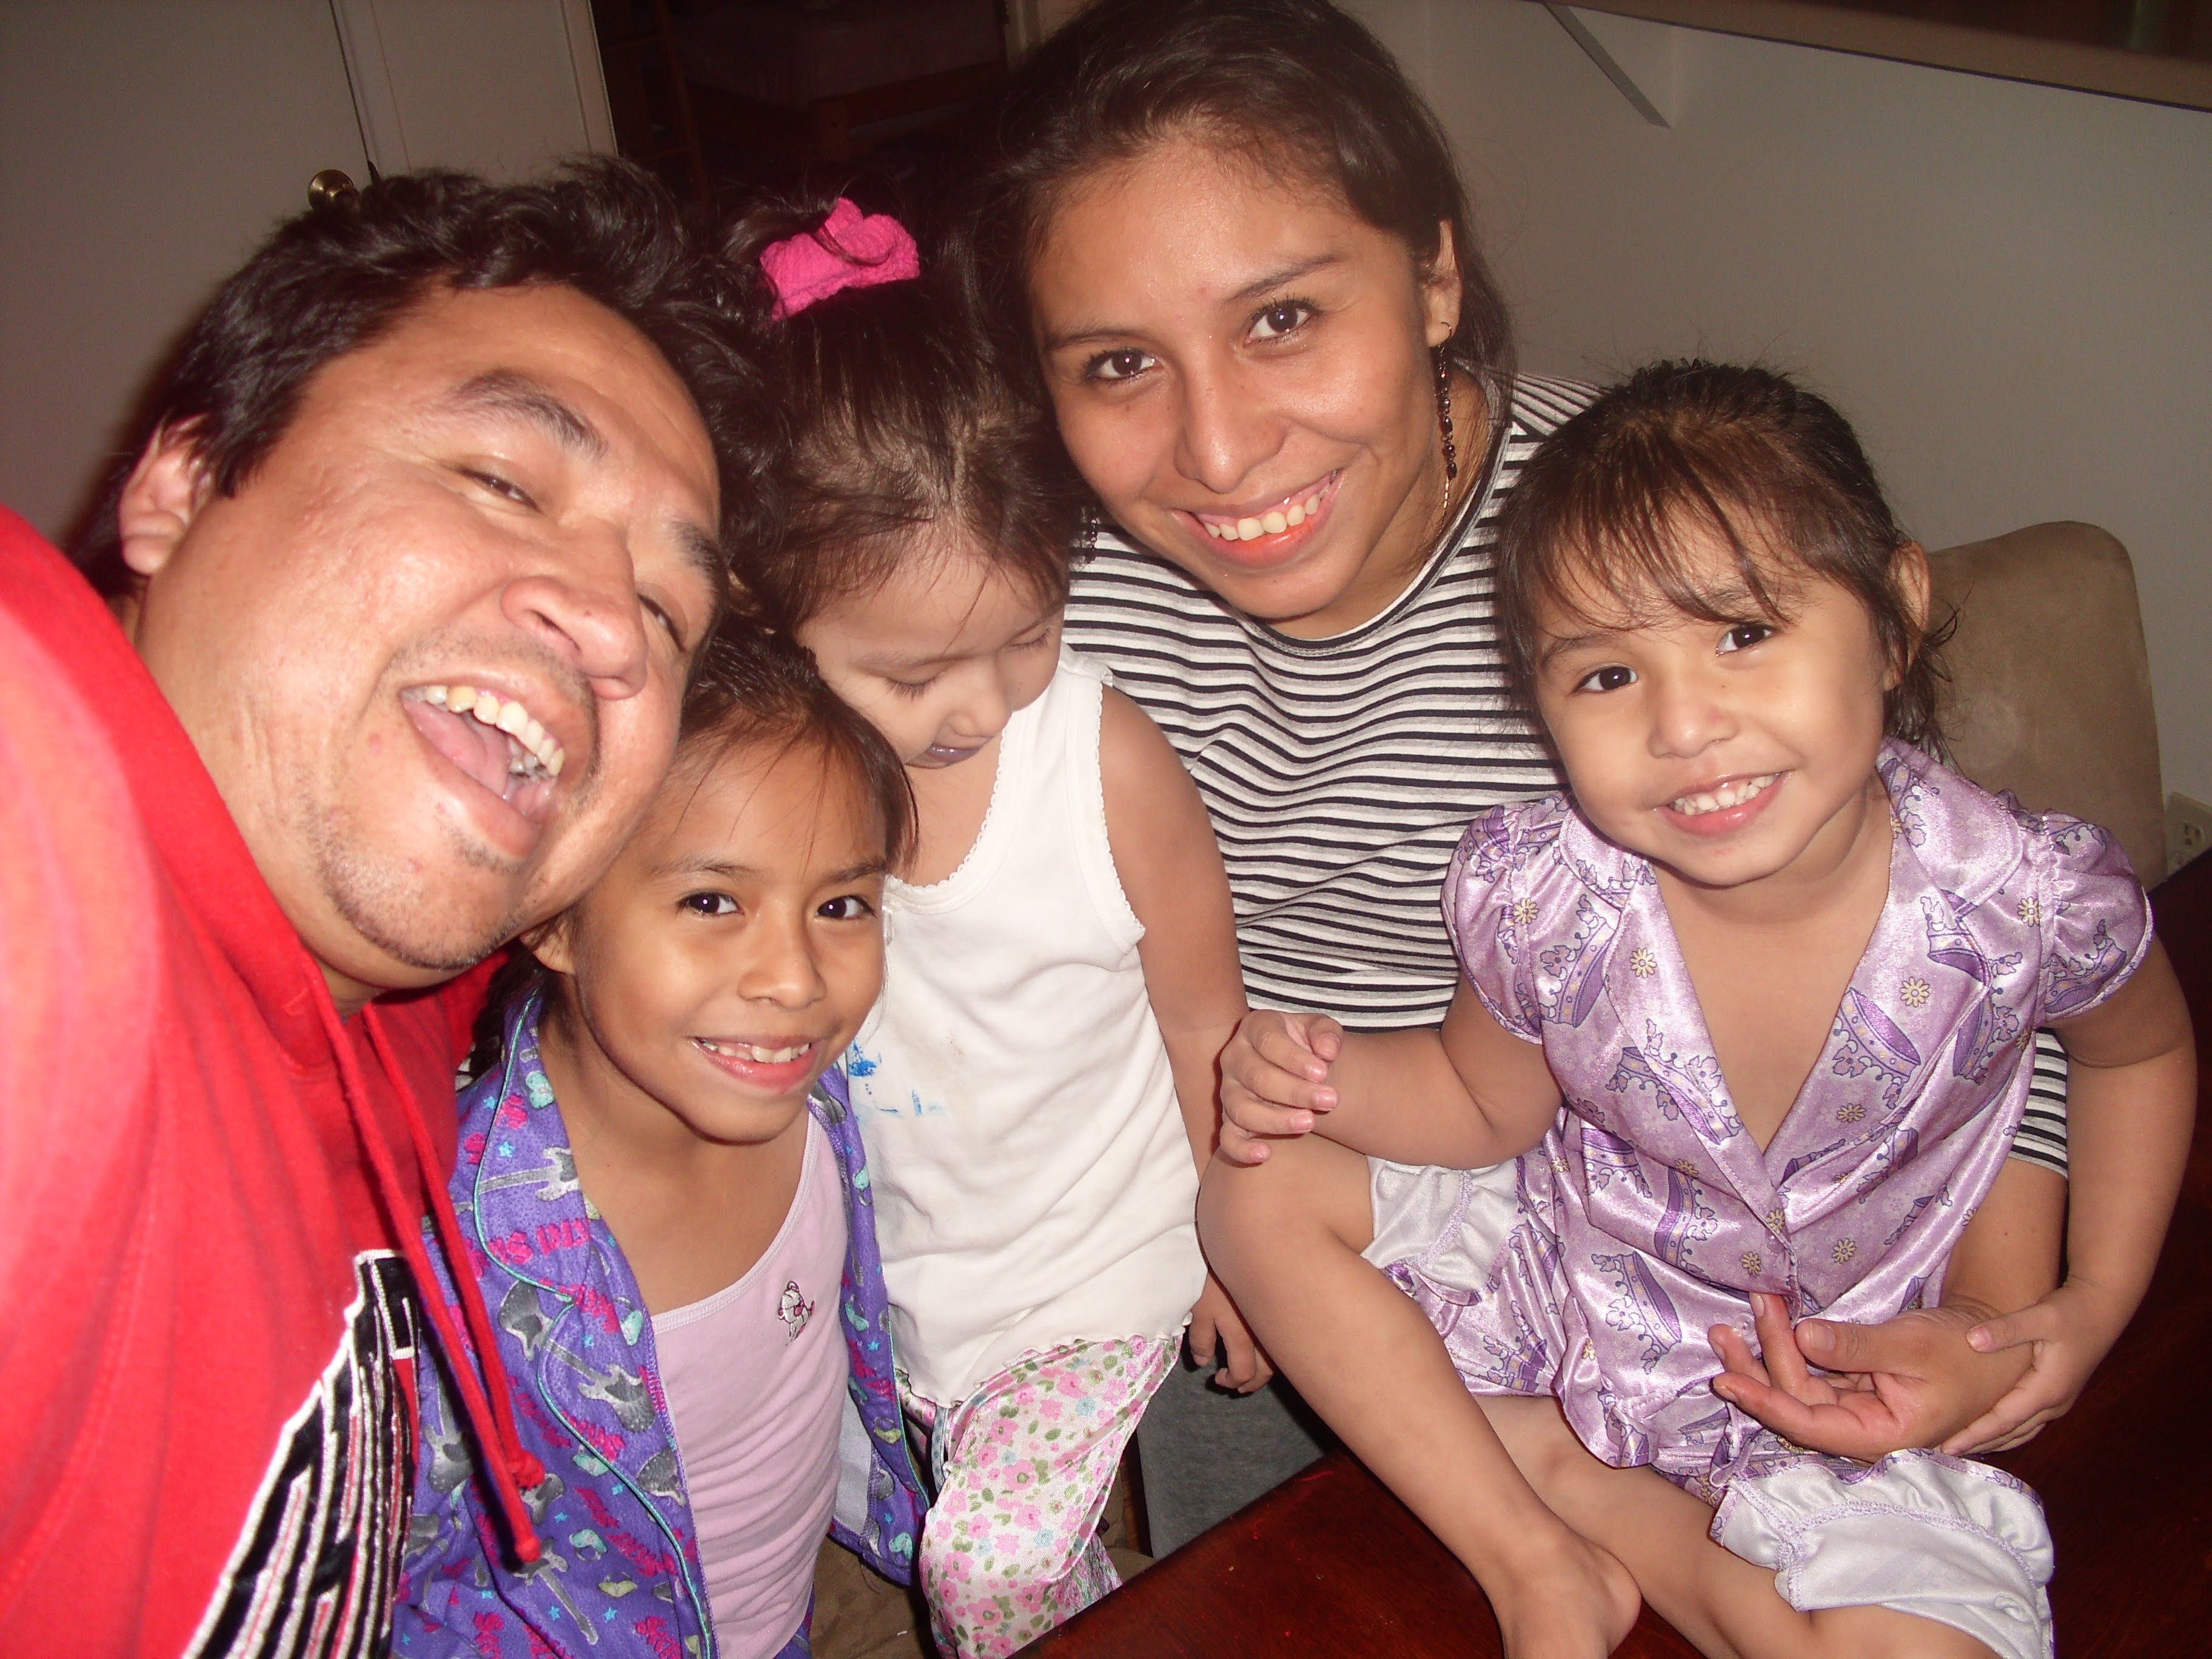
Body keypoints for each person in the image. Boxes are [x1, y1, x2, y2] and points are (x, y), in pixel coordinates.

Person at [956, 0, 2079, 1558]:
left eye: (1283, 319)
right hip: (1258, 1249)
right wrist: (1188, 1196)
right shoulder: (1036, 610)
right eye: (1119, 363)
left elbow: (1966, 941)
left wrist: (2002, 1323)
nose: (1216, 449)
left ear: (1433, 274)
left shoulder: (1635, 555)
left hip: (1681, 1268)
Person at [1205, 361, 2196, 1658]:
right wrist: (1315, 1075)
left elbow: (2140, 1052)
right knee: (1259, 1187)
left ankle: (1585, 1497)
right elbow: (1475, 1104)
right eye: (1608, 676)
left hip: (1851, 1379)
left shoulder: (2024, 898)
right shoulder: (1549, 897)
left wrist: (2088, 1306)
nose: (1684, 725)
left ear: (1895, 615)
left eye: (1742, 634)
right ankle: (1535, 1564)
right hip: (1579, 1292)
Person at [0, 161, 771, 1656]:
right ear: (183, 480)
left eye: (668, 613)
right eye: (504, 482)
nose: (611, 630)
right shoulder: (48, 839)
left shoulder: (397, 997)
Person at [723, 194, 1257, 1658]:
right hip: (901, 1291)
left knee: (985, 1572)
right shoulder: (757, 779)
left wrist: (1241, 1242)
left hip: (1104, 1265)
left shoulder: (1098, 757)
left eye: (1026, 635)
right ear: (765, 616)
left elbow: (1206, 1015)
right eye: (912, 676)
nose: (978, 705)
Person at [395, 622, 929, 1659]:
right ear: (551, 911)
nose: (796, 979)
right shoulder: (457, 1263)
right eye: (712, 901)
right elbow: (403, 1576)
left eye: (841, 905)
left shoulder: (807, 1091)